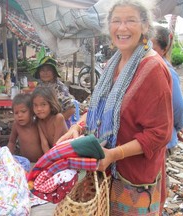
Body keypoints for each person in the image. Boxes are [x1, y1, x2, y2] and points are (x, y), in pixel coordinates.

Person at [57, 0, 173, 215]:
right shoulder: (114, 63)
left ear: (145, 26)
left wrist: (113, 154)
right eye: (116, 21)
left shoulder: (153, 69)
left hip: (133, 178)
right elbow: (98, 110)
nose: (122, 28)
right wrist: (78, 128)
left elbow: (159, 134)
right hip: (105, 170)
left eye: (131, 21)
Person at [151, 25, 183, 155]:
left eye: (151, 48)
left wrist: (175, 128)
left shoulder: (166, 71)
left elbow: (178, 108)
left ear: (164, 49)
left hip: (159, 143)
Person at [33, 56, 76, 127]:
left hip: (59, 125)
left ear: (54, 72)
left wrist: (55, 123)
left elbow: (71, 109)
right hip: (44, 123)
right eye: (42, 70)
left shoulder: (60, 88)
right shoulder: (39, 85)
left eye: (48, 70)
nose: (45, 73)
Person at [7, 93, 43, 162]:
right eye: (16, 113)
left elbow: (45, 143)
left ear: (32, 111)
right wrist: (9, 158)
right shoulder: (16, 125)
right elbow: (11, 142)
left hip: (40, 161)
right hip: (25, 161)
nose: (19, 115)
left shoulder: (38, 124)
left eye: (23, 111)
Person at [32, 87, 68, 153]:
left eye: (43, 104)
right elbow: (44, 143)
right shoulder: (38, 121)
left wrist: (50, 159)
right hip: (54, 153)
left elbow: (56, 144)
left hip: (65, 151)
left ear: (51, 104)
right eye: (35, 105)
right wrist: (47, 158)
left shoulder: (58, 118)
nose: (39, 109)